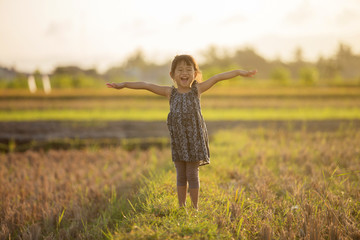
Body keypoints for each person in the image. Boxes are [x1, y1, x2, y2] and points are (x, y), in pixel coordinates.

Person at [106, 54, 257, 210]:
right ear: (172, 75)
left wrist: (239, 72)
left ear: (195, 74)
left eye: (188, 69)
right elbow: (146, 85)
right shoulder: (169, 93)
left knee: (192, 173)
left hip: (194, 140)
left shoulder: (197, 90)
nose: (184, 73)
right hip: (178, 140)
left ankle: (194, 207)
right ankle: (181, 206)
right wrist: (123, 84)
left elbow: (218, 77)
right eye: (180, 70)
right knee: (181, 174)